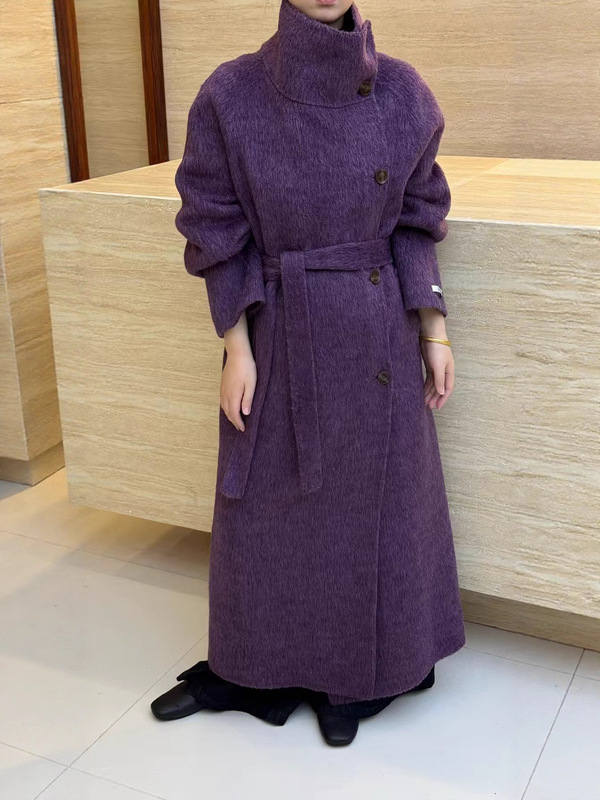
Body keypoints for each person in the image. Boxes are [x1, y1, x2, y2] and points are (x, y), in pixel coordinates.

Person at [151, 0, 466, 747]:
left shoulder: (403, 93)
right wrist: (237, 343)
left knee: (368, 511)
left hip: (374, 336)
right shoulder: (230, 94)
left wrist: (434, 326)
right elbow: (213, 226)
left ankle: (355, 676)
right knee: (263, 511)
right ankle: (249, 668)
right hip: (277, 330)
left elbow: (418, 218)